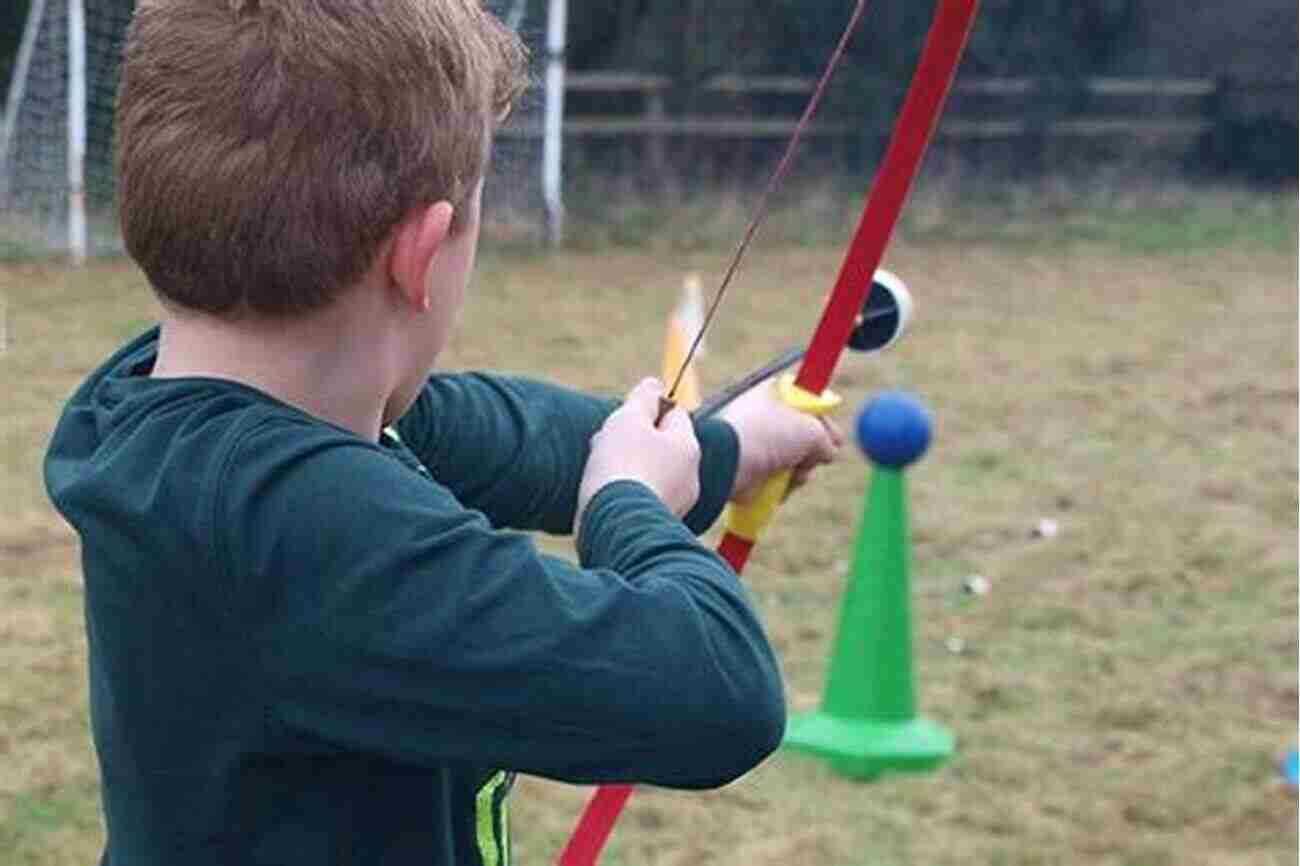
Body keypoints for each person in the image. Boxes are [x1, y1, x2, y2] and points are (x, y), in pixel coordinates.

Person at [43, 1, 840, 864]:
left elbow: (491, 434)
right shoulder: (298, 529)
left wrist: (722, 449)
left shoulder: (147, 412)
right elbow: (719, 690)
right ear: (421, 255)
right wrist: (628, 505)